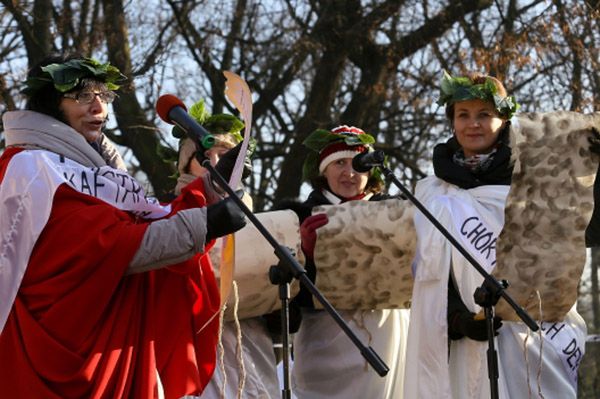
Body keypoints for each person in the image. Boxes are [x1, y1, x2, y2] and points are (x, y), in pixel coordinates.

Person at [0, 54, 247, 398]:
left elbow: (151, 219)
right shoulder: (32, 168)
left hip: (112, 349)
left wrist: (209, 188)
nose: (98, 106)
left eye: (104, 94)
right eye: (83, 95)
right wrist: (206, 223)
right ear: (50, 104)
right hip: (57, 355)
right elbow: (109, 248)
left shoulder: (103, 173)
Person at [404, 71, 588, 398]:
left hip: (533, 336)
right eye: (463, 115)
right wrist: (460, 320)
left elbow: (571, 241)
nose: (472, 123)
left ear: (504, 119)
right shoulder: (432, 192)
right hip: (466, 341)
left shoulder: (535, 178)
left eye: (484, 114)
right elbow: (427, 273)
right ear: (452, 122)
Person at [288, 125, 409, 399]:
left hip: (386, 335)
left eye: (357, 164)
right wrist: (306, 252)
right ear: (323, 170)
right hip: (326, 341)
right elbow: (290, 298)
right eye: (339, 163)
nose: (349, 173)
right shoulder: (298, 215)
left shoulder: (395, 211)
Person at [171, 99, 280, 399]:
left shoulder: (262, 220)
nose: (218, 163)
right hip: (194, 344)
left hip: (251, 343)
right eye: (207, 155)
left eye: (226, 155)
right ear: (187, 163)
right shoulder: (166, 214)